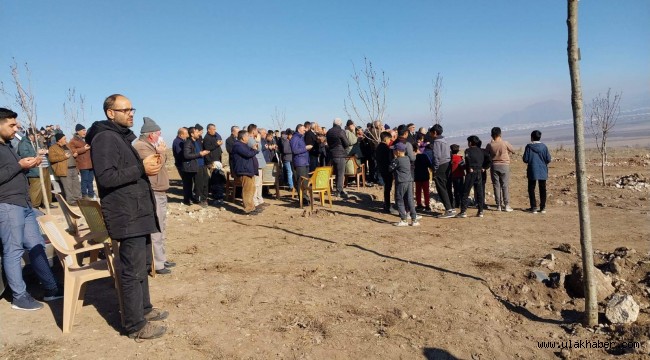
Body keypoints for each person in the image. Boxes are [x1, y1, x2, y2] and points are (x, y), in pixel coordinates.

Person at [86, 94, 168, 339]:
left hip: (138, 211)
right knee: (132, 270)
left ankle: (145, 309)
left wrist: (150, 163)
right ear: (111, 113)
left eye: (132, 109)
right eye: (125, 110)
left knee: (142, 265)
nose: (131, 113)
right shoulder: (105, 139)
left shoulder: (123, 138)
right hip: (126, 213)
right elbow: (106, 177)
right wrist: (141, 168)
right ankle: (135, 325)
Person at [0, 108, 63, 311]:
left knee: (36, 244)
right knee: (14, 250)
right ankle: (19, 296)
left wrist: (27, 165)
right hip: (8, 205)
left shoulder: (8, 146)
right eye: (11, 125)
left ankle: (51, 287)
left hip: (24, 203)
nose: (16, 128)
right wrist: (19, 165)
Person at [133, 117, 176, 275]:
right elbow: (155, 165)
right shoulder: (141, 147)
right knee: (156, 228)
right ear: (151, 135)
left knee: (161, 227)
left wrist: (160, 153)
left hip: (158, 191)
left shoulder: (149, 146)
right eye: (159, 134)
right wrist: (161, 153)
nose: (161, 137)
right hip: (153, 191)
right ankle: (157, 263)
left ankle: (161, 258)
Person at [457, 135, 491, 218]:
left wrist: (469, 168)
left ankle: (463, 212)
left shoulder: (468, 151)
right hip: (480, 172)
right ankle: (480, 211)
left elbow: (467, 160)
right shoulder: (482, 151)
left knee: (466, 192)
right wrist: (484, 168)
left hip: (471, 173)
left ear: (470, 142)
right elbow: (489, 159)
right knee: (479, 192)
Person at [485, 127, 516, 212]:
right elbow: (513, 150)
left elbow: (486, 154)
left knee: (496, 185)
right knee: (504, 185)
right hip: (504, 165)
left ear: (492, 135)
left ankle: (498, 205)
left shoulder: (489, 145)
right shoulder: (505, 143)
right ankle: (506, 205)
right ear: (500, 134)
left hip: (494, 166)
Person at [389, 142, 419, 227]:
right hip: (409, 181)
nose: (393, 152)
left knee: (399, 199)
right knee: (410, 200)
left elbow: (390, 169)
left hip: (401, 182)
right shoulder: (407, 158)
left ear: (398, 151)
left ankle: (403, 219)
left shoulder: (397, 160)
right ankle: (414, 219)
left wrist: (394, 159)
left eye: (394, 150)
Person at [428, 124, 454, 218]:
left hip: (440, 166)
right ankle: (451, 207)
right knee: (446, 187)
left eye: (431, 132)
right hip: (447, 164)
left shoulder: (437, 142)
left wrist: (435, 168)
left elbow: (436, 156)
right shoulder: (444, 140)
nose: (430, 134)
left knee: (441, 188)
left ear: (435, 133)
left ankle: (449, 210)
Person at [231, 130, 260, 214]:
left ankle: (252, 207)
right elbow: (248, 154)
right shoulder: (238, 145)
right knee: (247, 190)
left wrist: (254, 147)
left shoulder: (244, 145)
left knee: (251, 189)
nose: (249, 138)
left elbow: (251, 152)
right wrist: (254, 149)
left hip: (248, 170)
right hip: (244, 170)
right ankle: (248, 208)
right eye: (247, 136)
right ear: (243, 137)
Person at [523, 130, 551, 214]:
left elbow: (525, 159)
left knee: (531, 189)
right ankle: (542, 207)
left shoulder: (528, 147)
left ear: (532, 137)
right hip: (542, 170)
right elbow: (548, 159)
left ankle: (534, 207)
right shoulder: (544, 147)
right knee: (542, 189)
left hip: (532, 170)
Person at [49, 133, 82, 205]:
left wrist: (74, 155)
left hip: (73, 168)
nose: (65, 140)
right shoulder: (53, 148)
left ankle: (79, 199)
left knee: (76, 185)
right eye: (64, 139)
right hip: (64, 170)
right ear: (59, 140)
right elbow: (52, 159)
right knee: (68, 186)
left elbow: (71, 154)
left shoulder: (67, 145)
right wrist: (64, 157)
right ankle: (71, 201)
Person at [183, 127, 210, 207]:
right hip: (196, 166)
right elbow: (186, 155)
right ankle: (199, 200)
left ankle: (204, 199)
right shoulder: (188, 142)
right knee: (199, 185)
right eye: (197, 132)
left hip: (203, 165)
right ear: (192, 134)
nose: (199, 133)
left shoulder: (198, 141)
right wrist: (200, 154)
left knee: (205, 182)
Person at [68, 124, 95, 200]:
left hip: (91, 162)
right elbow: (72, 151)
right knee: (85, 180)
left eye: (85, 130)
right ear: (77, 131)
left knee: (90, 180)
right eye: (83, 130)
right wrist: (84, 148)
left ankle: (91, 194)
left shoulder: (87, 138)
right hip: (83, 163)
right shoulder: (73, 141)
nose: (85, 132)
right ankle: (84, 194)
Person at [326, 118, 350, 198]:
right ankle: (339, 191)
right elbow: (346, 143)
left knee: (334, 173)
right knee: (340, 174)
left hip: (331, 154)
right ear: (340, 124)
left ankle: (334, 189)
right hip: (340, 154)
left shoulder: (329, 132)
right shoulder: (341, 131)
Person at [290, 124, 312, 201]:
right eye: (303, 129)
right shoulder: (295, 138)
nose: (305, 131)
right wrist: (305, 148)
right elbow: (295, 150)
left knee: (305, 182)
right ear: (299, 129)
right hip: (299, 163)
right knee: (301, 181)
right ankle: (302, 199)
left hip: (305, 162)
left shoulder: (301, 138)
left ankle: (305, 197)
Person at [247, 124, 267, 207]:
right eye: (256, 130)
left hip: (259, 163)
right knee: (256, 183)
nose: (257, 132)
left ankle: (260, 199)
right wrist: (258, 141)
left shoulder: (253, 139)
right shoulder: (250, 139)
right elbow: (258, 149)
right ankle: (255, 201)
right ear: (253, 131)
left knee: (259, 183)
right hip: (256, 163)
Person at [375, 131, 394, 213]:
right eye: (389, 139)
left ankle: (386, 204)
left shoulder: (378, 147)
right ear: (386, 139)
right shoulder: (385, 148)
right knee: (388, 187)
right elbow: (388, 160)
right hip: (386, 170)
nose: (390, 141)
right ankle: (387, 205)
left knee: (387, 187)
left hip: (382, 169)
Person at [414, 134, 432, 211]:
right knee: (426, 191)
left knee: (418, 191)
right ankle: (427, 205)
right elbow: (430, 165)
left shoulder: (413, 158)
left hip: (417, 176)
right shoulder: (425, 156)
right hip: (425, 176)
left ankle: (419, 204)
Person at [449, 144, 465, 209]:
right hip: (460, 175)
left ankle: (457, 203)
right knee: (461, 190)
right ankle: (462, 203)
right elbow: (463, 167)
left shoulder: (450, 159)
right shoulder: (460, 158)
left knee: (455, 190)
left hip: (453, 176)